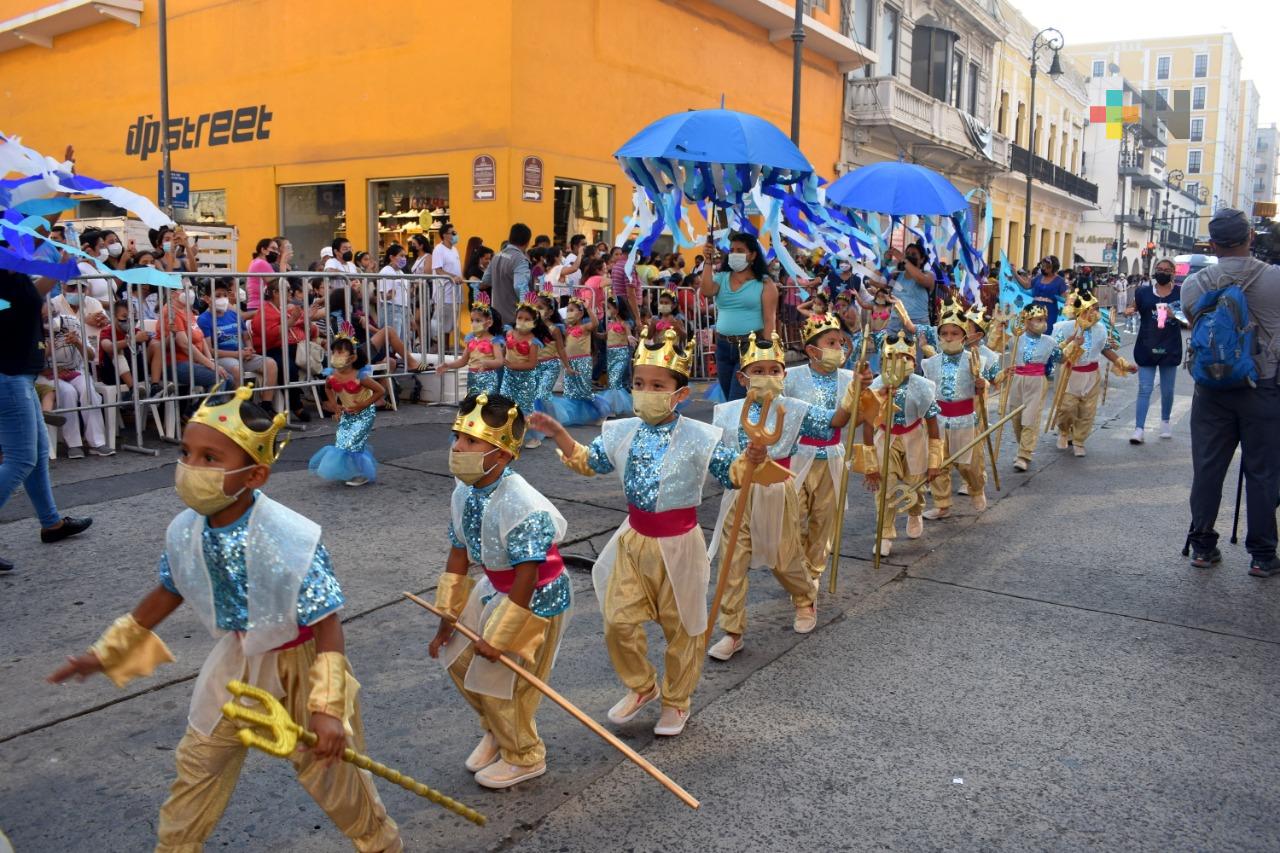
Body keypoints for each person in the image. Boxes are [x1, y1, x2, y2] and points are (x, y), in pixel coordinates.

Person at [47, 386, 402, 850]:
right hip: (234, 664)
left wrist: (327, 709)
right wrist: (105, 653)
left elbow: (328, 624)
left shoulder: (289, 537)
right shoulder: (186, 529)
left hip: (302, 669)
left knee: (339, 783)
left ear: (254, 475)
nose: (190, 468)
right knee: (196, 767)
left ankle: (381, 844)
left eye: (210, 459)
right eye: (186, 453)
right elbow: (167, 591)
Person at [528, 329, 759, 737]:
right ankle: (642, 685)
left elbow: (734, 472)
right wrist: (561, 434)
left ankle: (676, 699)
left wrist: (751, 457)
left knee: (682, 627)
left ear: (680, 394)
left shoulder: (700, 437)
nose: (645, 392)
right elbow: (589, 461)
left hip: (681, 545)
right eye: (638, 384)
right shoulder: (621, 431)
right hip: (633, 540)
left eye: (657, 386)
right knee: (618, 620)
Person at [427, 393, 572, 788]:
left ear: (504, 454)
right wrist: (447, 618)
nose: (458, 447)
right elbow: (458, 553)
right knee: (457, 658)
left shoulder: (522, 503)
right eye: (458, 436)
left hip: (534, 597)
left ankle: (524, 755)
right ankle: (496, 728)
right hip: (495, 586)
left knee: (502, 682)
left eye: (472, 442)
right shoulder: (464, 490)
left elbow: (528, 574)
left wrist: (500, 635)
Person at [707, 332, 861, 660]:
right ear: (742, 377)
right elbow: (716, 460)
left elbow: (834, 422)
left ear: (783, 375)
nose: (766, 377)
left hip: (778, 492)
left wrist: (854, 392)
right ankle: (732, 630)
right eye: (757, 371)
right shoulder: (726, 412)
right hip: (739, 496)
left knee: (785, 559)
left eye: (773, 370)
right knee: (731, 563)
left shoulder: (793, 408)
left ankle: (805, 598)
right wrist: (735, 465)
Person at [1181, 208, 1280, 578]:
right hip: (1264, 387)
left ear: (1213, 243)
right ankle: (1262, 554)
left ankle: (1203, 546)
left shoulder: (1195, 284)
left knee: (1207, 469)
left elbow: (1195, 325)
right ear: (1250, 237)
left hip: (1211, 389)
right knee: (1263, 472)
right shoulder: (1274, 280)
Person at [0, 268, 93, 572]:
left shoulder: (11, 277)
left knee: (37, 456)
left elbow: (32, 295)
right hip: (9, 378)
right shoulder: (6, 276)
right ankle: (51, 522)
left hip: (19, 377)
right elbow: (33, 296)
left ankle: (51, 523)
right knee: (22, 459)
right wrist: (61, 265)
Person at [784, 313, 861, 589]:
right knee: (794, 519)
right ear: (812, 350)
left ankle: (812, 573)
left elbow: (858, 419)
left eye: (840, 343)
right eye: (831, 342)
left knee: (823, 520)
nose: (838, 349)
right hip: (797, 457)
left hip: (831, 458)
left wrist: (874, 395)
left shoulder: (851, 378)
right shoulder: (790, 377)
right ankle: (797, 568)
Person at [863, 333, 943, 556]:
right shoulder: (874, 388)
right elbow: (868, 426)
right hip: (884, 439)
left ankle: (915, 511)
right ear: (882, 362)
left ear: (914, 362)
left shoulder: (924, 387)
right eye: (892, 358)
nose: (899, 363)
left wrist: (935, 461)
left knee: (915, 483)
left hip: (914, 438)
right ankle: (885, 533)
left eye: (905, 358)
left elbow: (933, 425)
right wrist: (870, 463)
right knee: (884, 487)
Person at [921, 300, 1000, 520]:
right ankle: (942, 503)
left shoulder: (974, 360)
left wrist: (980, 384)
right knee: (938, 464)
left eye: (954, 333)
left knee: (969, 464)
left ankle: (976, 488)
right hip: (938, 421)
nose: (948, 338)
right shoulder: (931, 363)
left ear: (963, 336)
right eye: (944, 333)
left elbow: (982, 384)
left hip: (965, 420)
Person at [1050, 289, 1136, 457]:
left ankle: (1079, 440)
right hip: (1070, 374)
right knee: (1067, 408)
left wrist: (1123, 364)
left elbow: (1105, 349)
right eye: (1090, 309)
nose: (1094, 313)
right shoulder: (1065, 328)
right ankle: (1064, 431)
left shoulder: (1100, 329)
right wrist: (1071, 342)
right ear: (1079, 312)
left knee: (1087, 411)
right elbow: (1056, 354)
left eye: (1096, 309)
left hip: (1091, 375)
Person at [698, 231, 779, 401]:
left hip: (749, 347)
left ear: (753, 255)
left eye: (740, 250)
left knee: (738, 399)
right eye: (732, 250)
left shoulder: (765, 283)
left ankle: (739, 427)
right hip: (722, 346)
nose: (735, 254)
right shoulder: (721, 278)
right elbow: (706, 291)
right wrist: (707, 261)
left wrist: (767, 351)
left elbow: (769, 319)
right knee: (729, 398)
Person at [309, 329, 385, 486]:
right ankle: (350, 471)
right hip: (347, 414)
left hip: (364, 414)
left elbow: (380, 391)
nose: (335, 357)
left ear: (352, 358)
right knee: (341, 444)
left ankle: (361, 475)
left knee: (353, 444)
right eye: (334, 353)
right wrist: (335, 406)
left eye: (340, 353)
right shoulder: (332, 376)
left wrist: (363, 405)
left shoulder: (360, 376)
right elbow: (328, 388)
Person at [1128, 257, 1184, 444]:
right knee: (1145, 388)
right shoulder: (1143, 292)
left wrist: (1174, 314)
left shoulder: (1180, 293)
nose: (1162, 272)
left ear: (1173, 273)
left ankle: (1165, 421)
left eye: (1167, 269)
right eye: (1159, 268)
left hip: (1170, 346)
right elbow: (1135, 308)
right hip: (1147, 345)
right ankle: (1139, 429)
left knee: (1167, 390)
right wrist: (1129, 311)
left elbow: (1191, 319)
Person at [197, 279, 277, 404]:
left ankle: (266, 404)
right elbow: (210, 350)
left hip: (242, 355)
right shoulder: (204, 320)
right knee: (236, 369)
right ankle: (236, 408)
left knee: (271, 364)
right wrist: (238, 354)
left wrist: (249, 348)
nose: (223, 299)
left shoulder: (234, 315)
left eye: (225, 295)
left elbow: (245, 337)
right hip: (223, 358)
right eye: (217, 296)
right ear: (207, 299)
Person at [1002, 304, 1058, 473]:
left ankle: (1024, 454)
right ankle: (1023, 446)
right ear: (1027, 321)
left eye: (1044, 320)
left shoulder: (1050, 342)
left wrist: (1074, 346)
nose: (1043, 323)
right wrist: (999, 328)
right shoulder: (1016, 339)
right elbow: (996, 343)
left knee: (1030, 417)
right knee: (1016, 416)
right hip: (1017, 380)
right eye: (1038, 320)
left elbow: (1062, 357)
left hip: (1037, 381)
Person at [537, 296, 604, 426]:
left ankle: (601, 412)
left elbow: (595, 323)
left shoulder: (584, 327)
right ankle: (574, 415)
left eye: (572, 310)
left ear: (580, 313)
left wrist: (588, 308)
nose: (569, 313)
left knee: (584, 390)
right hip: (569, 362)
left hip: (583, 362)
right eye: (567, 310)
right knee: (570, 392)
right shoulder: (566, 329)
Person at [498, 301, 549, 446]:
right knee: (506, 406)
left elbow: (532, 364)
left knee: (525, 409)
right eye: (520, 318)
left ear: (534, 322)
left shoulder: (533, 341)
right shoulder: (509, 333)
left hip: (526, 379)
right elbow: (504, 351)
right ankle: (509, 435)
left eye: (527, 319)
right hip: (509, 377)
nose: (522, 322)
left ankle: (534, 437)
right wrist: (501, 360)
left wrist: (512, 364)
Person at [437, 297, 505, 396]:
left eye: (478, 321)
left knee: (487, 406)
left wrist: (487, 363)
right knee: (473, 405)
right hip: (472, 378)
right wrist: (448, 365)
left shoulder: (494, 341)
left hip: (489, 379)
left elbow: (499, 361)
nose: (473, 324)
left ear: (489, 322)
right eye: (472, 320)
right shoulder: (471, 341)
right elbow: (463, 361)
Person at [884, 241, 937, 357]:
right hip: (895, 324)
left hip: (917, 325)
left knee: (912, 365)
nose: (909, 256)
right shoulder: (896, 275)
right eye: (907, 253)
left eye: (913, 254)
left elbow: (920, 279)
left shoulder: (929, 275)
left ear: (922, 259)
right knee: (890, 361)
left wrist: (904, 259)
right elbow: (877, 282)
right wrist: (885, 263)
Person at [480, 223, 532, 326]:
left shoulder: (496, 256)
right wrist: (529, 310)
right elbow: (520, 287)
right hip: (514, 318)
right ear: (527, 242)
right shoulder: (520, 259)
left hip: (496, 315)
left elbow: (485, 281)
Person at [431, 223, 464, 347]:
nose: (456, 235)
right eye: (453, 233)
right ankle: (441, 353)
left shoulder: (454, 249)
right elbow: (438, 270)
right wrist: (452, 277)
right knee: (442, 327)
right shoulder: (439, 249)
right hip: (444, 295)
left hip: (455, 294)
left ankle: (447, 353)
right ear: (445, 235)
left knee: (450, 326)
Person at [1015, 255, 1069, 329]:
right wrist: (1015, 273)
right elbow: (1027, 286)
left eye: (1047, 267)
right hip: (1034, 309)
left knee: (1045, 330)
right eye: (1043, 266)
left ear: (1054, 268)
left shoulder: (1060, 281)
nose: (1044, 269)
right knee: (1031, 329)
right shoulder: (1039, 277)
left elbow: (1065, 299)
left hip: (1050, 311)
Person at [377, 243, 411, 348]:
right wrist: (390, 295)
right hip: (392, 310)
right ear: (392, 257)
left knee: (403, 343)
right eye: (401, 255)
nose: (404, 258)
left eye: (405, 256)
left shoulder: (400, 272)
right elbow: (383, 296)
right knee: (393, 343)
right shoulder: (386, 271)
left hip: (403, 310)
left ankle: (403, 363)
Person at [245, 237, 278, 311]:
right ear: (263, 250)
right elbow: (277, 285)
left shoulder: (255, 261)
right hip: (259, 306)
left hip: (254, 305)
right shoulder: (262, 263)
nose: (276, 252)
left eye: (277, 250)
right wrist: (283, 262)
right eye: (273, 248)